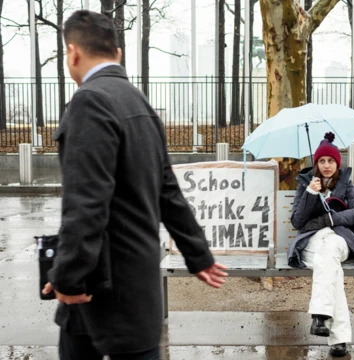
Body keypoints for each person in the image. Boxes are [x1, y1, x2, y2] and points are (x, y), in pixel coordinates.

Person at [41, 10, 228, 360]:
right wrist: (198, 254)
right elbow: (168, 191)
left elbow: (86, 205)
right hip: (137, 293)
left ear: (73, 52)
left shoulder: (89, 101)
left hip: (100, 293)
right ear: (118, 53)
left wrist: (67, 277)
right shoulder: (138, 102)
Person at [287, 132, 354, 357]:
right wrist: (310, 193)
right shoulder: (306, 185)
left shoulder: (345, 184)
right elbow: (297, 221)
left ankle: (320, 316)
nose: (327, 165)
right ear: (316, 164)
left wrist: (332, 219)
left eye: (331, 161)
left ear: (337, 163)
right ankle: (338, 339)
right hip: (312, 242)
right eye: (322, 161)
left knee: (329, 253)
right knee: (330, 267)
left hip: (339, 239)